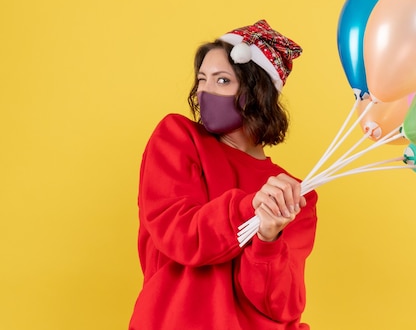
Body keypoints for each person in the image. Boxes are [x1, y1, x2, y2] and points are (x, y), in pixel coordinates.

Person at [129, 20, 318, 330]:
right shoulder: (177, 139)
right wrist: (251, 208)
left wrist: (268, 238)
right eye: (202, 80)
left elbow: (281, 304)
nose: (204, 91)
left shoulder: (296, 194)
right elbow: (182, 235)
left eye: (221, 81)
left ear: (257, 92)